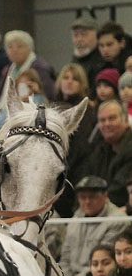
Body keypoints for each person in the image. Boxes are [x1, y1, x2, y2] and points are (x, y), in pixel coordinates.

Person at [59, 175, 129, 276]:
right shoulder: (75, 219)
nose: (87, 202)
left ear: (105, 196)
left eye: (92, 197)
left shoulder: (118, 220)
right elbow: (65, 259)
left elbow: (102, 261)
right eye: (82, 197)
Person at [0, 30, 56, 130]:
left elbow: (48, 94)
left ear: (30, 48)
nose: (14, 50)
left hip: (28, 115)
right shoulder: (7, 69)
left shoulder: (40, 67)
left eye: (19, 46)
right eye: (10, 47)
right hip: (4, 111)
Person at [53, 63, 97, 215]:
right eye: (65, 77)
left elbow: (81, 145)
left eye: (75, 79)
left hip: (75, 169)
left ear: (82, 84)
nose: (69, 81)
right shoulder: (52, 107)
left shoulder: (86, 110)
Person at [87, 100, 132, 207]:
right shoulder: (97, 149)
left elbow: (119, 189)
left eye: (112, 118)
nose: (107, 124)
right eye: (102, 120)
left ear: (125, 120)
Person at [69, 15, 104, 97]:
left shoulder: (102, 62)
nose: (79, 39)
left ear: (97, 37)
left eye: (84, 35)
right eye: (75, 35)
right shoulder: (75, 60)